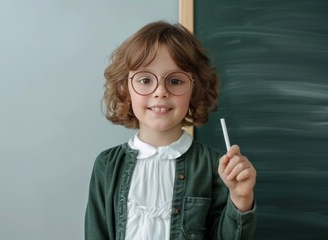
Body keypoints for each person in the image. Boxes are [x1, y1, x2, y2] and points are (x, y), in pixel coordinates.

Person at [85, 21, 257, 240]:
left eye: (175, 81)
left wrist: (241, 199)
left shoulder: (217, 168)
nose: (160, 92)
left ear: (195, 89)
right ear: (125, 88)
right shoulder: (107, 166)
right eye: (145, 80)